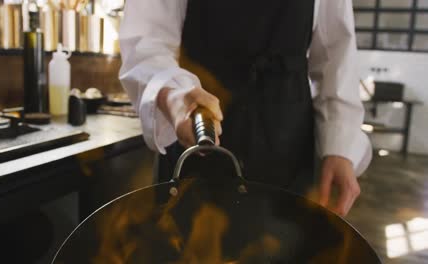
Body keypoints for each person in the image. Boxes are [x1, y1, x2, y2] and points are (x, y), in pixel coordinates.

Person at [119, 0, 372, 217]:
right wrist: (173, 93)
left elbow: (336, 52)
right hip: (196, 120)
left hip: (287, 137)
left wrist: (340, 146)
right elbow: (147, 42)